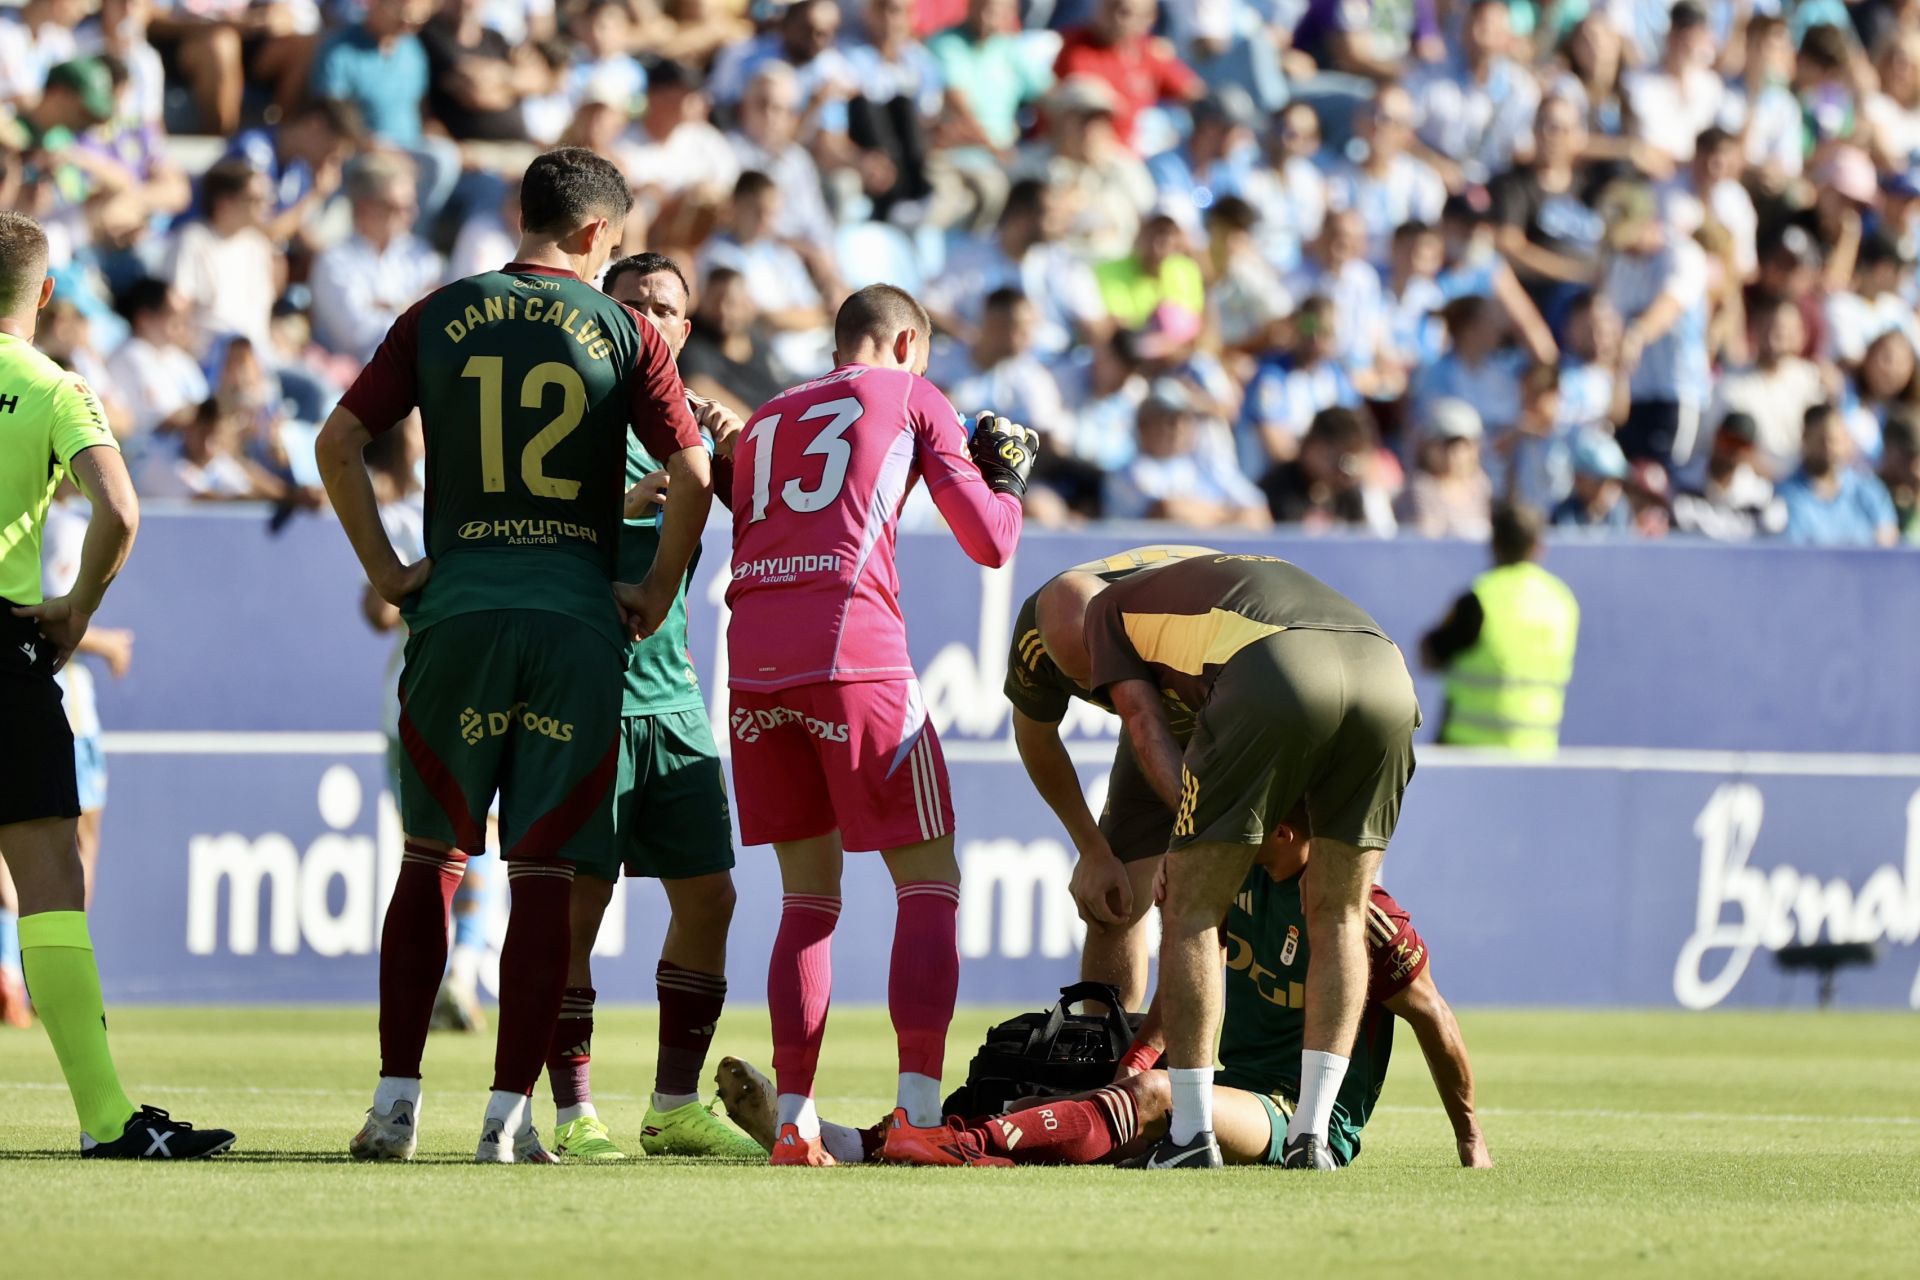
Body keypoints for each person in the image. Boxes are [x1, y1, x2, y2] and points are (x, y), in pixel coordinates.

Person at [315, 147, 708, 1165]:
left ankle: (395, 1106)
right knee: (542, 875)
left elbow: (338, 438)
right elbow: (694, 474)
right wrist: (655, 590)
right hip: (575, 622)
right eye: (613, 242)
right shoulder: (622, 329)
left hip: (457, 611)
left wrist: (393, 568)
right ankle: (506, 1120)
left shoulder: (440, 311)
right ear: (592, 235)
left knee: (429, 861)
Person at [725, 284, 1033, 1166]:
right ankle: (917, 1118)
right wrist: (1006, 476)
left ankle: (794, 1125)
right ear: (906, 341)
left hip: (754, 666)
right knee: (928, 880)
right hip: (852, 649)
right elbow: (992, 541)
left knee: (807, 901)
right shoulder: (910, 393)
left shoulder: (768, 418)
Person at [1032, 550, 1420, 1169]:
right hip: (1387, 671)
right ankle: (1311, 1135)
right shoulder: (1193, 577)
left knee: (1192, 908)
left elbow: (1142, 723)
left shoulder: (1103, 614)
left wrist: (1188, 837)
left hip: (1280, 668)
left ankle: (1190, 1133)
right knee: (1341, 914)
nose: (1088, 690)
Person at [849, 822, 1490, 1170]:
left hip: (1294, 1113)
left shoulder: (1363, 917)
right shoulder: (1236, 880)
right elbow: (1185, 990)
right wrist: (1133, 1059)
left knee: (1155, 1099)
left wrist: (1471, 1142)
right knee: (1103, 1078)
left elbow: (1434, 1017)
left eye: (1255, 817)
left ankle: (965, 1149)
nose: (1236, 823)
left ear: (1292, 831)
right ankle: (874, 1142)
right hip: (1232, 1085)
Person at [0, 210, 233, 1157]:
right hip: (5, 649)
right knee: (50, 881)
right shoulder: (54, 388)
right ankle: (104, 1120)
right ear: (46, 294)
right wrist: (76, 608)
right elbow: (121, 510)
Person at [540, 252, 761, 1163]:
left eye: (666, 310)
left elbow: (785, 498)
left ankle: (673, 1108)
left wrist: (738, 435)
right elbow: (531, 535)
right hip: (586, 698)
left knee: (710, 895)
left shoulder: (690, 433)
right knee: (576, 910)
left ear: (684, 330)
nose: (650, 319)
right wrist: (623, 501)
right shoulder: (574, 419)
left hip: (673, 699)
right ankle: (570, 1113)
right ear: (603, 313)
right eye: (632, 303)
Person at [1005, 544, 1217, 1012]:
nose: (1092, 689)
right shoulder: (1034, 634)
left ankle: (1250, 1066)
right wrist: (1093, 850)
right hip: (1158, 724)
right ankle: (1103, 1061)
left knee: (1232, 895)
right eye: (1075, 677)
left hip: (1230, 709)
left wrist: (1206, 844)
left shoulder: (1172, 621)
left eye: (1098, 671)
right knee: (1112, 897)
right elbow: (1035, 739)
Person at [1420, 502, 1579, 754]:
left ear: (1493, 544)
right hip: (1538, 751)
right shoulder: (1561, 601)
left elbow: (1430, 655)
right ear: (1539, 548)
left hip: (1467, 751)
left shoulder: (1479, 598)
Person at [309, 156, 444, 364]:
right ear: (366, 208)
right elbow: (358, 335)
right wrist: (413, 308)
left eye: (412, 205)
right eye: (399, 207)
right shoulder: (334, 261)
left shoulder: (420, 253)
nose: (412, 214)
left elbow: (442, 316)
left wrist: (388, 308)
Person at [1776, 404, 1900, 547]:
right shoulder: (1785, 495)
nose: (1830, 448)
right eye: (1821, 439)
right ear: (1805, 439)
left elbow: (1888, 541)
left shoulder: (1870, 489)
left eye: (1837, 439)